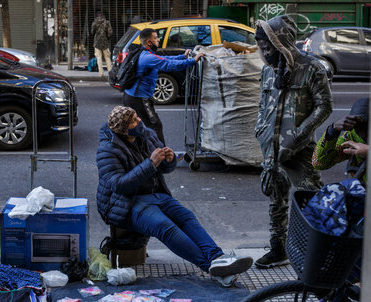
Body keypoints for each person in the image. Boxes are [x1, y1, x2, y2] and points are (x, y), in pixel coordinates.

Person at [96, 106, 253, 287]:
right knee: (164, 226)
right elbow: (119, 185)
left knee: (185, 216)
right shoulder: (107, 149)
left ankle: (218, 257)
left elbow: (163, 168)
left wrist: (169, 161)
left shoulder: (146, 135)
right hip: (124, 203)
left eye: (137, 117)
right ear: (124, 129)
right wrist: (150, 164)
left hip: (154, 194)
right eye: (133, 121)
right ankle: (211, 266)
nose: (139, 122)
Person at [254, 15, 333, 269]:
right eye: (262, 47)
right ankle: (278, 249)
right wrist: (261, 131)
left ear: (282, 41)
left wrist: (299, 135)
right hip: (272, 148)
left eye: (269, 46)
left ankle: (323, 252)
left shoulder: (312, 68)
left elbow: (325, 106)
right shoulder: (268, 71)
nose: (265, 52)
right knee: (276, 199)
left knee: (311, 199)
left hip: (299, 149)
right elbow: (263, 105)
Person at [123, 28, 204, 145]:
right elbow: (168, 64)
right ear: (148, 42)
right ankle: (162, 157)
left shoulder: (145, 53)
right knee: (155, 125)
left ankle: (143, 153)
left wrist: (183, 57)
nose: (158, 40)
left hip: (133, 96)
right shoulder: (148, 58)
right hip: (138, 99)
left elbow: (165, 59)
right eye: (155, 38)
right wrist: (192, 61)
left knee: (139, 127)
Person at [312, 97, 369, 180]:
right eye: (359, 127)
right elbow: (319, 162)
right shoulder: (352, 137)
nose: (363, 133)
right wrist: (332, 130)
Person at [91, 12, 113, 77]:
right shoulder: (107, 23)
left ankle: (101, 73)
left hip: (97, 42)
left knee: (99, 58)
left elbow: (92, 32)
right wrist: (107, 38)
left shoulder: (95, 23)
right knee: (107, 58)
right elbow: (110, 32)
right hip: (105, 43)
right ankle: (110, 72)